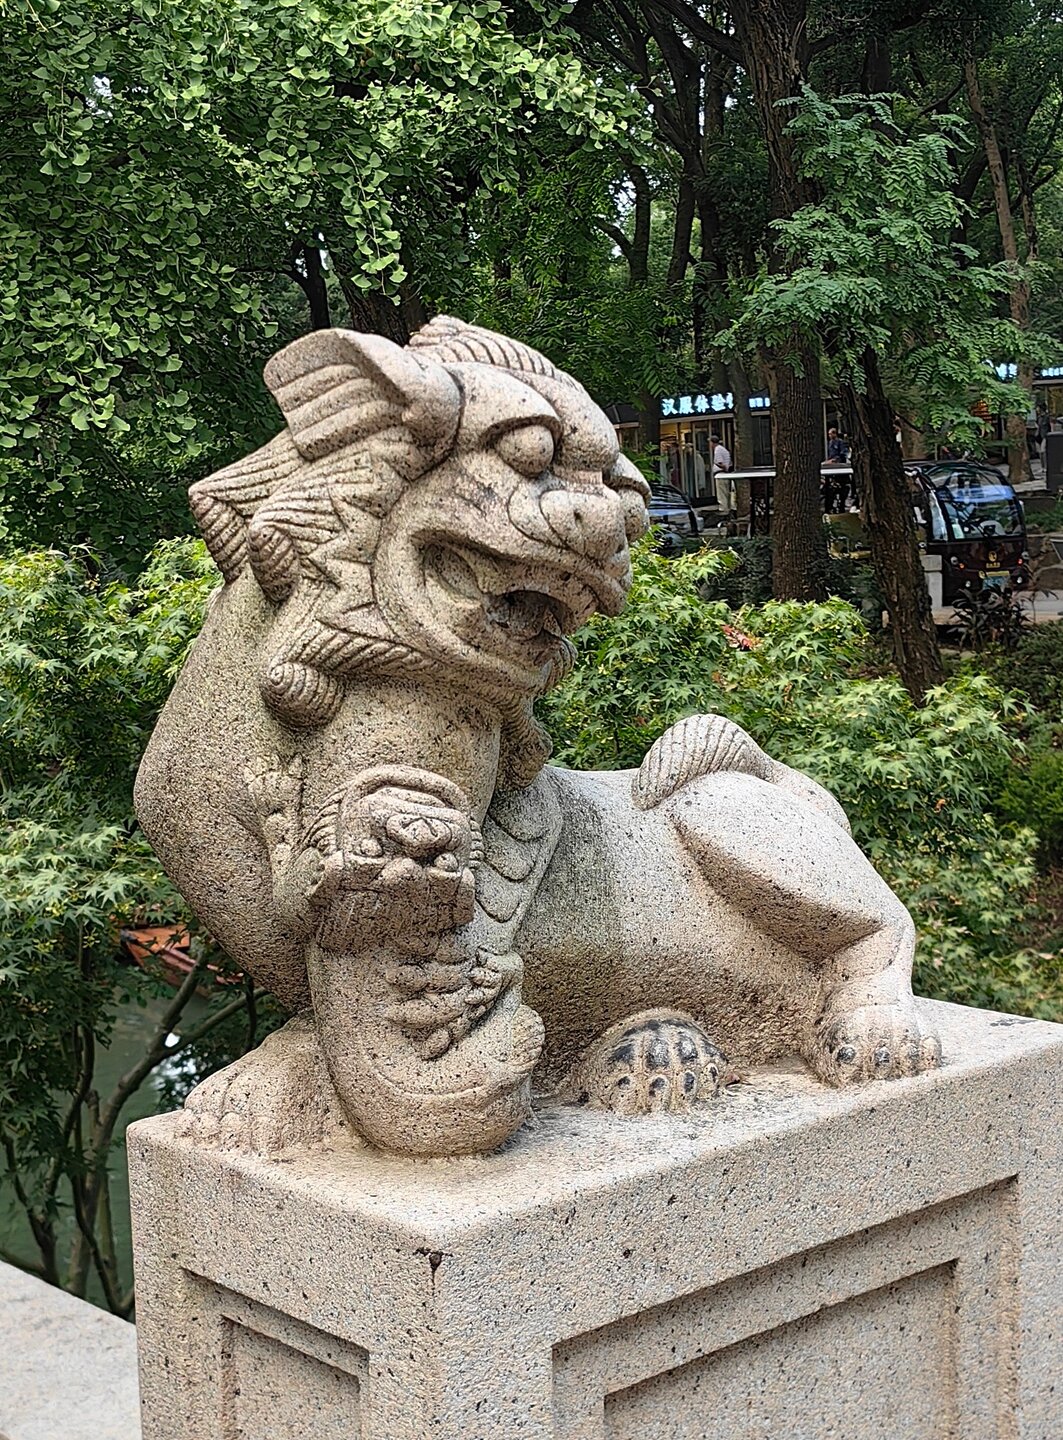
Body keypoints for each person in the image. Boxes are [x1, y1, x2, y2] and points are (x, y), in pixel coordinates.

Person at [711, 432, 733, 513]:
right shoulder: (723, 449)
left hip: (721, 474)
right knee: (726, 491)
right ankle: (728, 508)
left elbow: (720, 463)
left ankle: (723, 509)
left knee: (722, 493)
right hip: (724, 473)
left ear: (712, 443)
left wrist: (720, 466)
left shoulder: (717, 450)